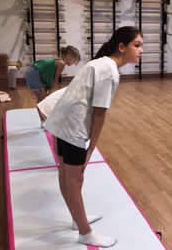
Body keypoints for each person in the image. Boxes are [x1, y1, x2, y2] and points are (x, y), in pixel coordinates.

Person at [45, 26, 143, 247]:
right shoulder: (109, 69)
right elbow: (100, 113)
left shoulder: (99, 63)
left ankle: (75, 218)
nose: (141, 50)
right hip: (72, 128)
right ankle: (85, 232)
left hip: (62, 122)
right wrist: (91, 149)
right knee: (74, 179)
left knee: (66, 176)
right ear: (121, 47)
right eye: (137, 45)